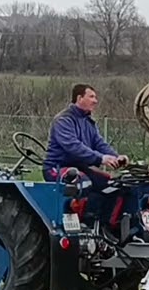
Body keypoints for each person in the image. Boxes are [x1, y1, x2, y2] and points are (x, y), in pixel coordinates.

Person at [43, 84, 130, 220]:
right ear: (79, 98)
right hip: (57, 168)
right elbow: (73, 147)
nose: (95, 101)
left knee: (113, 185)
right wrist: (101, 159)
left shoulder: (88, 122)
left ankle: (104, 226)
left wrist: (116, 157)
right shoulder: (63, 120)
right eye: (91, 97)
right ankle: (81, 226)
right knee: (84, 183)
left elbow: (99, 143)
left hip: (81, 168)